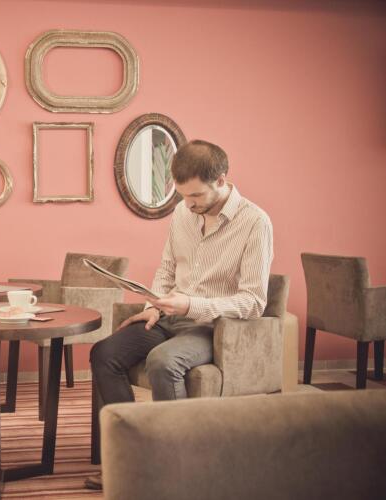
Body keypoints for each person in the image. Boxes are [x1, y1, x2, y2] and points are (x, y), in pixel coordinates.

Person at [83, 139, 273, 491]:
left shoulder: (255, 222)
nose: (189, 204)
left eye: (196, 195)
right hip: (169, 318)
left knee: (163, 362)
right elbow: (167, 270)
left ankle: (178, 468)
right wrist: (152, 307)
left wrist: (191, 305)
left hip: (212, 327)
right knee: (104, 353)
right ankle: (132, 457)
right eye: (183, 195)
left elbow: (253, 302)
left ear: (221, 179)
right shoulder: (183, 213)